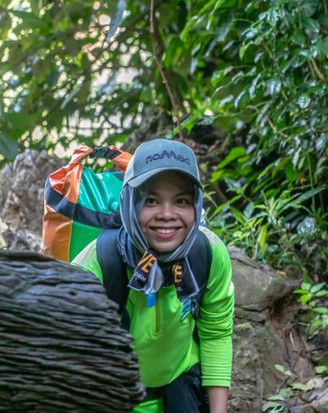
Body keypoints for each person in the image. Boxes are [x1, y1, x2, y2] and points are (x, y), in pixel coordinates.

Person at [72, 139, 234, 413]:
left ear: (196, 205)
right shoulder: (95, 266)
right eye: (151, 201)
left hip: (182, 391)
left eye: (181, 200)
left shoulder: (208, 253)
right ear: (130, 204)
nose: (167, 215)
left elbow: (216, 334)